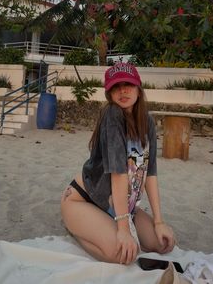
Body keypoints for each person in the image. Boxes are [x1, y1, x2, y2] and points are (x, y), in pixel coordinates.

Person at [61, 62, 175, 265]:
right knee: (120, 254)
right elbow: (119, 173)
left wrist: (159, 222)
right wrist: (123, 229)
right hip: (83, 200)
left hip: (120, 204)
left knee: (163, 244)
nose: (122, 90)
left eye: (128, 84)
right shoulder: (112, 115)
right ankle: (75, 229)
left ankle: (105, 226)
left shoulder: (147, 122)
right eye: (116, 86)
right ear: (109, 93)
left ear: (138, 89)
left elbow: (151, 173)